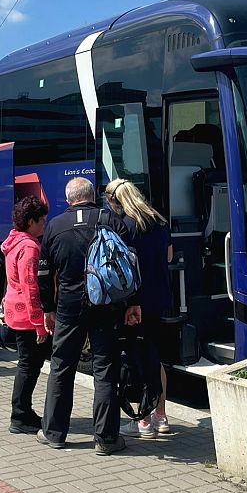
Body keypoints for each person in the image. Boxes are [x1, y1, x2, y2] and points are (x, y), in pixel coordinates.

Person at [36, 177, 137, 456]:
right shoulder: (111, 220)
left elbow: (43, 275)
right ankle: (106, 438)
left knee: (61, 366)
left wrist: (48, 308)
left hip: (69, 306)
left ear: (69, 199)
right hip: (106, 304)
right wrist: (131, 303)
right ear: (93, 196)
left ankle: (55, 433)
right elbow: (128, 267)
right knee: (105, 369)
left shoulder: (55, 225)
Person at [106, 178, 173, 439]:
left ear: (116, 201)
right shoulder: (159, 221)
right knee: (156, 357)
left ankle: (143, 421)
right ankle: (162, 416)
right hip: (160, 298)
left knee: (139, 359)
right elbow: (168, 257)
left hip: (135, 303)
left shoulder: (125, 226)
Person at [1, 196, 50, 434]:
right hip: (27, 314)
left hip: (14, 309)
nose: (44, 225)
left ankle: (23, 411)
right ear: (31, 221)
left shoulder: (14, 241)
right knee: (29, 366)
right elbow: (31, 285)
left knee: (27, 364)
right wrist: (39, 323)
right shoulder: (29, 247)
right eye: (41, 220)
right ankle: (20, 415)